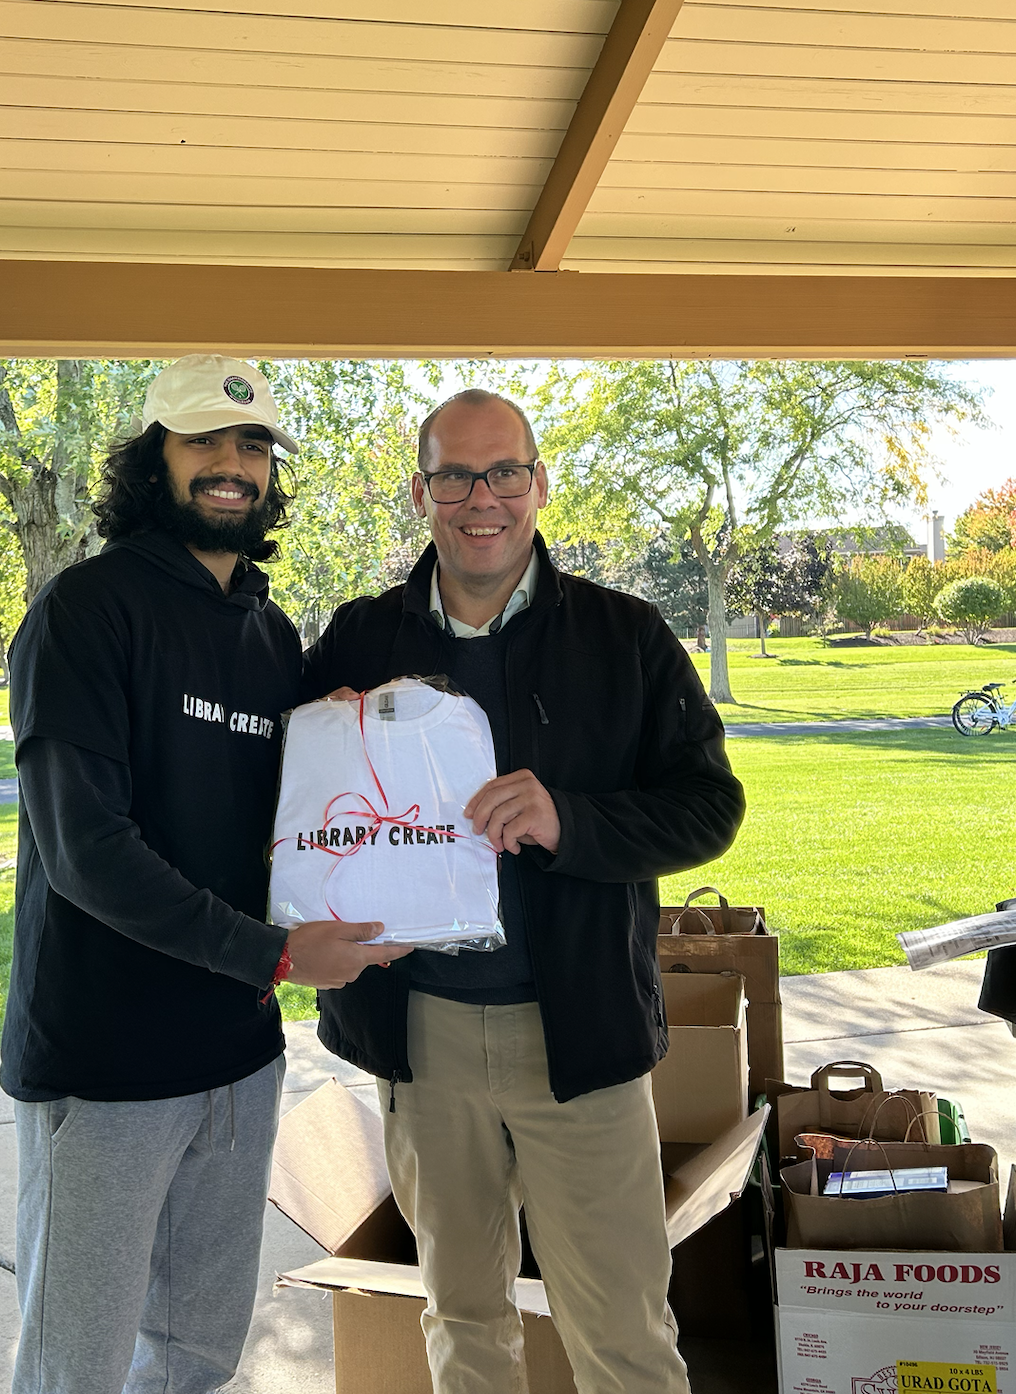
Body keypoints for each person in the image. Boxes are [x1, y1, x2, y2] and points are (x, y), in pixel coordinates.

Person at [302, 389, 745, 1394]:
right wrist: (319, 745)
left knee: (623, 1325)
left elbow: (707, 808)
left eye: (504, 471)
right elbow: (302, 823)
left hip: (578, 1037)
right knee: (463, 1314)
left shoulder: (624, 637)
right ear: (420, 493)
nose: (481, 498)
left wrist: (571, 821)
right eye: (454, 475)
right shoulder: (359, 641)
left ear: (540, 485)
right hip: (422, 1036)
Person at [0, 354, 410, 1394]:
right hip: (105, 1067)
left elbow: (302, 820)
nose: (233, 465)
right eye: (205, 443)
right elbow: (85, 850)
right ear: (153, 461)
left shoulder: (271, 633)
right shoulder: (85, 611)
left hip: (237, 1059)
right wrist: (275, 953)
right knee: (73, 1366)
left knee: (194, 1356)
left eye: (253, 445)